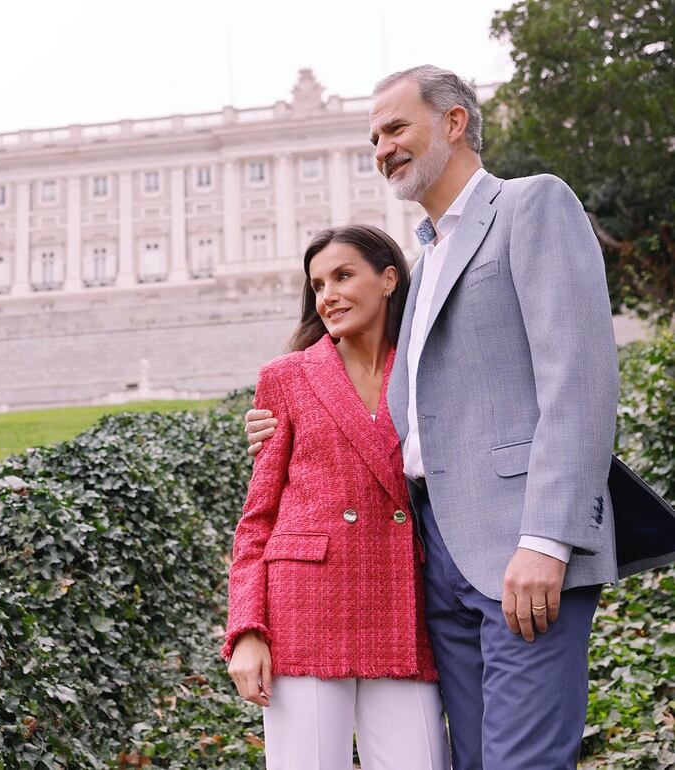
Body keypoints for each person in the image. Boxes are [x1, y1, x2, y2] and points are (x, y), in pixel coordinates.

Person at [246, 65, 621, 769]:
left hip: (519, 542)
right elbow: (411, 409)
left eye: (395, 128)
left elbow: (580, 379)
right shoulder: (424, 261)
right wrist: (284, 425)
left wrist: (546, 537)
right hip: (436, 558)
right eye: (374, 137)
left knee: (524, 762)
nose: (382, 147)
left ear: (453, 123)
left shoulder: (531, 205)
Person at [223, 224, 450, 769]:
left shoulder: (428, 369)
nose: (328, 295)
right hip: (303, 607)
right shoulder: (286, 377)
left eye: (344, 275)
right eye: (318, 284)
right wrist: (246, 630)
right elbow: (258, 518)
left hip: (401, 604)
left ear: (389, 278)